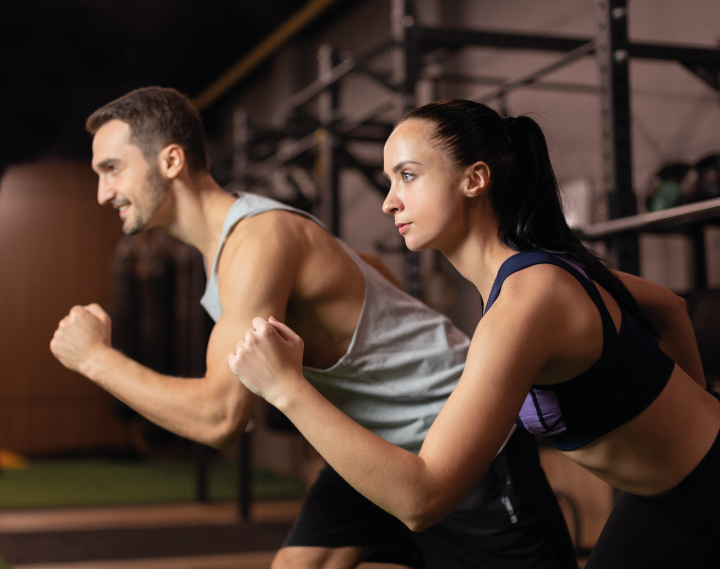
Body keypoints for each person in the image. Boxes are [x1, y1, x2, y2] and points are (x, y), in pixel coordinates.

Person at [50, 88, 578, 569]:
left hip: (455, 443)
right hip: (372, 443)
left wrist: (94, 357)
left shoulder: (257, 241)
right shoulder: (243, 243)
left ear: (170, 160)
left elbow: (219, 418)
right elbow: (369, 265)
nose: (103, 192)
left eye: (112, 168)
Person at [228, 99, 720, 569]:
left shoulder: (528, 301)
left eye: (408, 176)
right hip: (663, 499)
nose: (388, 202)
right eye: (389, 180)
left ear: (474, 180)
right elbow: (670, 309)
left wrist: (284, 388)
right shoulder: (530, 280)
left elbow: (422, 498)